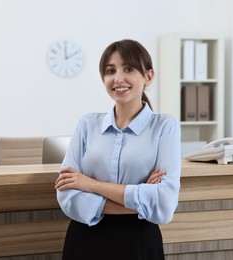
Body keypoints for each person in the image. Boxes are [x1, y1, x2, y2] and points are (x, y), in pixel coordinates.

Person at [54, 39, 181, 260]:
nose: (118, 79)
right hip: (85, 241)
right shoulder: (86, 124)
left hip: (138, 243)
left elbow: (163, 204)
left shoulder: (164, 127)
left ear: (148, 76)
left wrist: (91, 184)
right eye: (110, 70)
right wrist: (139, 200)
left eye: (128, 69)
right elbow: (67, 196)